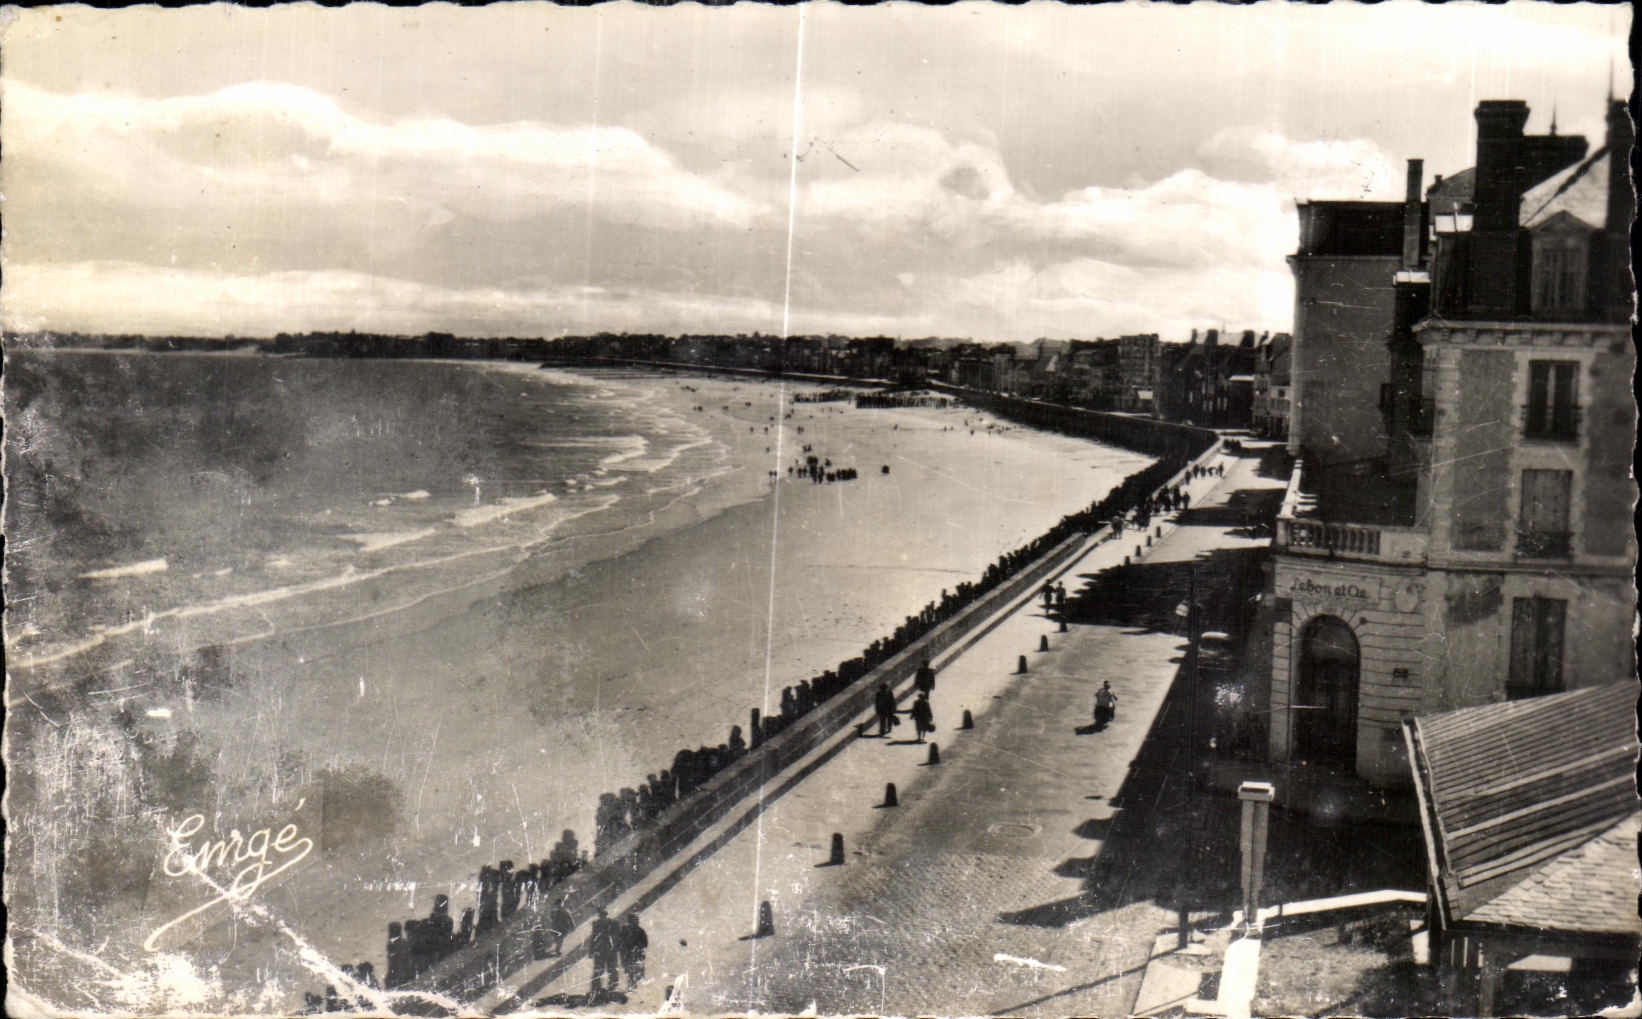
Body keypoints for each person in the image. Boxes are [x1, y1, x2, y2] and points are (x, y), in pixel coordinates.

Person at [589, 908, 621, 995]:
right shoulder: (596, 924)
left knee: (612, 968)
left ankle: (613, 984)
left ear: (606, 915)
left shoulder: (614, 923)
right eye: (601, 915)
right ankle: (596, 986)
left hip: (611, 950)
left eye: (604, 915)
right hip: (600, 950)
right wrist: (591, 950)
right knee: (598, 969)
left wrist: (617, 947)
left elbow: (618, 936)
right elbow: (593, 938)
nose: (602, 917)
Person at [617, 913, 649, 990]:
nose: (635, 922)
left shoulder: (640, 931)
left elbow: (645, 943)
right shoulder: (625, 930)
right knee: (631, 970)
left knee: (635, 970)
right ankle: (632, 985)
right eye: (633, 921)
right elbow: (619, 941)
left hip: (634, 953)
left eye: (636, 921)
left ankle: (635, 984)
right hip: (628, 954)